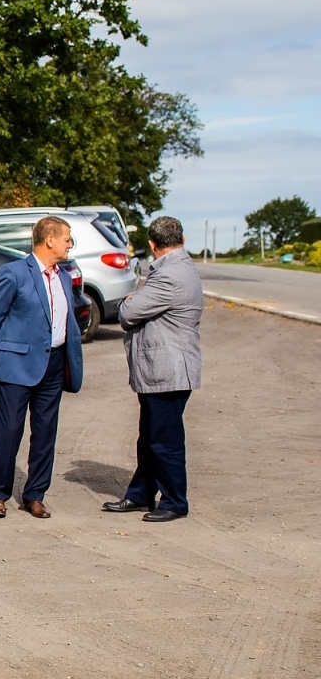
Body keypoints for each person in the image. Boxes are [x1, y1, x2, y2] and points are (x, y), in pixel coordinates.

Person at [0, 215, 84, 519]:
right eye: (67, 238)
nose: (69, 244)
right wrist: (0, 355)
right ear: (49, 239)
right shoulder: (14, 273)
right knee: (10, 430)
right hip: (17, 364)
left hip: (53, 362)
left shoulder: (63, 275)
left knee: (45, 433)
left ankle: (35, 495)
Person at [103, 216, 202, 522]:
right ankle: (140, 494)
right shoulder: (179, 269)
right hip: (165, 369)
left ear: (151, 244)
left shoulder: (169, 274)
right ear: (182, 239)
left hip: (167, 370)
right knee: (150, 436)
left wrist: (130, 301)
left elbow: (128, 313)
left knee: (164, 439)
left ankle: (174, 501)